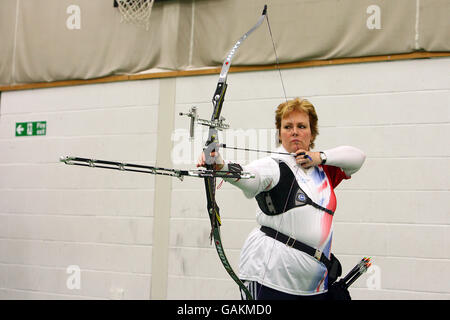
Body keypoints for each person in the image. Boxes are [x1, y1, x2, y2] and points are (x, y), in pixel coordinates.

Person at [197, 98, 365, 300]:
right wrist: (220, 166)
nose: (295, 131)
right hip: (270, 279)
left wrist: (319, 157)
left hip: (313, 285)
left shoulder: (323, 171)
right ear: (279, 133)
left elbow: (358, 157)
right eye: (288, 126)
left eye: (302, 126)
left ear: (312, 133)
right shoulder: (273, 165)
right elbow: (250, 176)